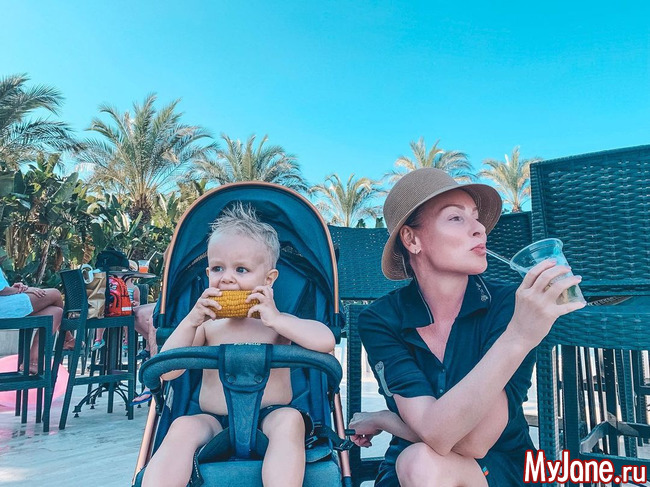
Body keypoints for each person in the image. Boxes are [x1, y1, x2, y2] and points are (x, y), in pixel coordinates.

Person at [347, 168, 585, 486]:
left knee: (421, 462)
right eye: (456, 218)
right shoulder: (381, 319)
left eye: (476, 217)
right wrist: (518, 335)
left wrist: (387, 419)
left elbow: (475, 443)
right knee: (418, 462)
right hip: (409, 470)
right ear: (412, 239)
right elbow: (438, 437)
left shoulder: (512, 305)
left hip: (502, 466)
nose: (479, 229)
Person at [142, 203, 335, 487]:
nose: (227, 278)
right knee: (182, 427)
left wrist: (277, 320)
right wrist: (191, 321)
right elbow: (169, 370)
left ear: (268, 279)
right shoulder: (206, 326)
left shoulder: (279, 324)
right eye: (217, 268)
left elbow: (326, 341)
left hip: (269, 417)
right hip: (213, 420)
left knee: (290, 421)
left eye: (241, 269)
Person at [0, 267, 73, 373]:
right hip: (3, 307)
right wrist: (24, 289)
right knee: (55, 294)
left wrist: (14, 288)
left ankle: (32, 361)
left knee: (56, 312)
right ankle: (67, 339)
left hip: (5, 303)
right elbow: (2, 290)